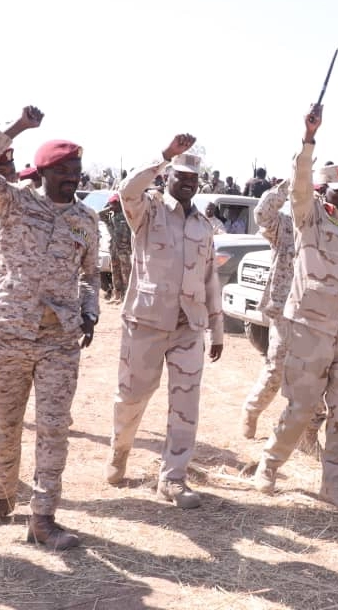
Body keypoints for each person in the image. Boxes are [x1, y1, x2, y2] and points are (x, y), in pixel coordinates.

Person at [0, 105, 99, 550]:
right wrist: (18, 127)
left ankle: (43, 518)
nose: (72, 178)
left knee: (54, 428)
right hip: (8, 332)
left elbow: (89, 274)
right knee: (5, 426)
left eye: (76, 171)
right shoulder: (13, 201)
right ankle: (2, 499)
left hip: (59, 339)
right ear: (42, 172)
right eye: (63, 171)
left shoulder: (86, 219)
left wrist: (90, 311)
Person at [251, 104, 338, 511]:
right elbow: (300, 187)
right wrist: (308, 140)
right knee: (302, 407)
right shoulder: (309, 220)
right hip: (310, 329)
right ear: (325, 193)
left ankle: (335, 485)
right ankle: (269, 465)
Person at [105, 135, 224, 509]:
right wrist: (164, 155)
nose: (187, 183)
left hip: (188, 326)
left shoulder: (204, 225)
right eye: (180, 176)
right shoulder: (148, 211)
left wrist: (217, 329)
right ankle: (120, 449)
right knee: (132, 396)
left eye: (193, 178)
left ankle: (173, 478)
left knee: (186, 404)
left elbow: (210, 279)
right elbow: (127, 189)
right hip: (146, 321)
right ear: (167, 177)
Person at [240, 179, 324, 449]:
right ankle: (252, 410)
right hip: (285, 312)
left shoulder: (327, 232)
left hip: (316, 315)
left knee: (314, 375)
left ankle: (309, 434)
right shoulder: (285, 226)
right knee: (276, 369)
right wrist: (287, 186)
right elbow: (262, 214)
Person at [98, 193, 132, 303]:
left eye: (115, 203)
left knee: (126, 274)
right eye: (112, 203)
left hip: (124, 249)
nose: (113, 205)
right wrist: (109, 207)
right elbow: (99, 215)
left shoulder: (127, 215)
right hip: (114, 248)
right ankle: (116, 296)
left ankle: (126, 298)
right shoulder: (110, 215)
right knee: (115, 272)